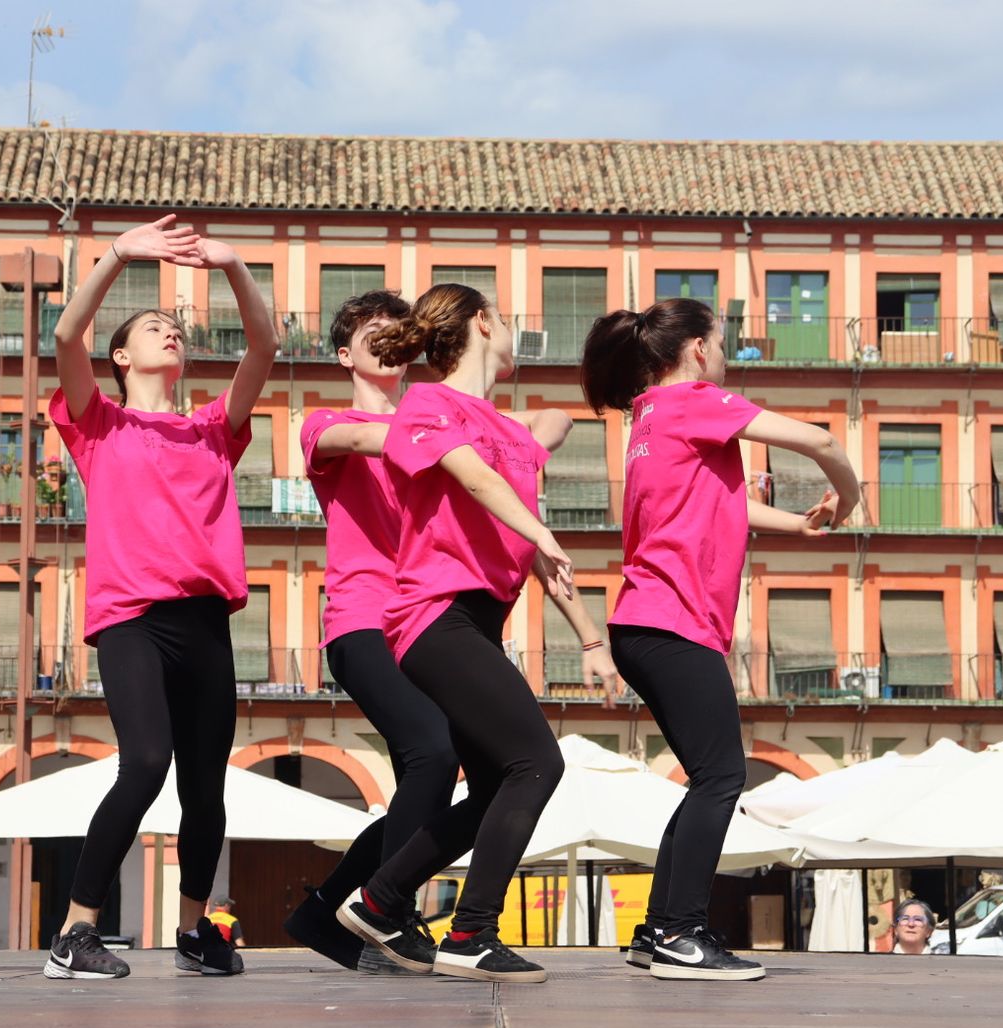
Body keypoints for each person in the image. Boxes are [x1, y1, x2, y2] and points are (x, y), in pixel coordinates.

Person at [334, 283, 619, 985]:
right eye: (508, 316)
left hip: (479, 622)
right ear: (485, 322)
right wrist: (542, 528)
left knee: (497, 787)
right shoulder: (425, 406)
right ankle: (471, 931)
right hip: (433, 615)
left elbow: (531, 543)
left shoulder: (510, 435)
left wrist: (590, 638)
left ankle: (381, 897)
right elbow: (471, 478)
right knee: (537, 762)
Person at [285, 290, 573, 974]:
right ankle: (389, 911)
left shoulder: (442, 415)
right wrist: (461, 433)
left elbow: (554, 420)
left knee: (479, 771)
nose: (387, 339)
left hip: (437, 613)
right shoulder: (335, 423)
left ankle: (337, 904)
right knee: (433, 754)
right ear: (344, 354)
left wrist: (483, 429)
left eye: (398, 328)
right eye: (370, 332)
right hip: (366, 618)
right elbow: (368, 438)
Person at [580, 296, 859, 981]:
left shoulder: (649, 418)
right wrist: (849, 499)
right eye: (724, 342)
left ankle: (658, 930)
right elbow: (821, 442)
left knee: (707, 777)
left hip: (644, 622)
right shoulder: (697, 400)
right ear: (699, 349)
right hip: (673, 622)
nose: (727, 356)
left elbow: (715, 500)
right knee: (722, 776)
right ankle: (679, 931)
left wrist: (797, 524)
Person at [42, 215, 277, 980]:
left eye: (175, 326)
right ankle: (76, 931)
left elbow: (264, 347)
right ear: (122, 355)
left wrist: (236, 265)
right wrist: (117, 254)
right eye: (152, 326)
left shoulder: (214, 427)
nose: (169, 331)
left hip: (205, 618)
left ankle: (192, 930)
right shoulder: (97, 423)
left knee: (206, 789)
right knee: (144, 762)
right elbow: (65, 339)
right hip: (132, 617)